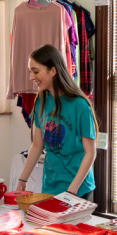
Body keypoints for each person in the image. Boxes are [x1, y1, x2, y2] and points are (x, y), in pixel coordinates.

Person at [16, 44, 98, 200]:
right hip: (50, 186)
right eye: (30, 72)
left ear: (53, 71)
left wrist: (72, 189)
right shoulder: (41, 100)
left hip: (78, 188)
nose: (31, 77)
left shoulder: (79, 105)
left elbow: (90, 152)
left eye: (35, 72)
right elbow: (37, 145)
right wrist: (22, 179)